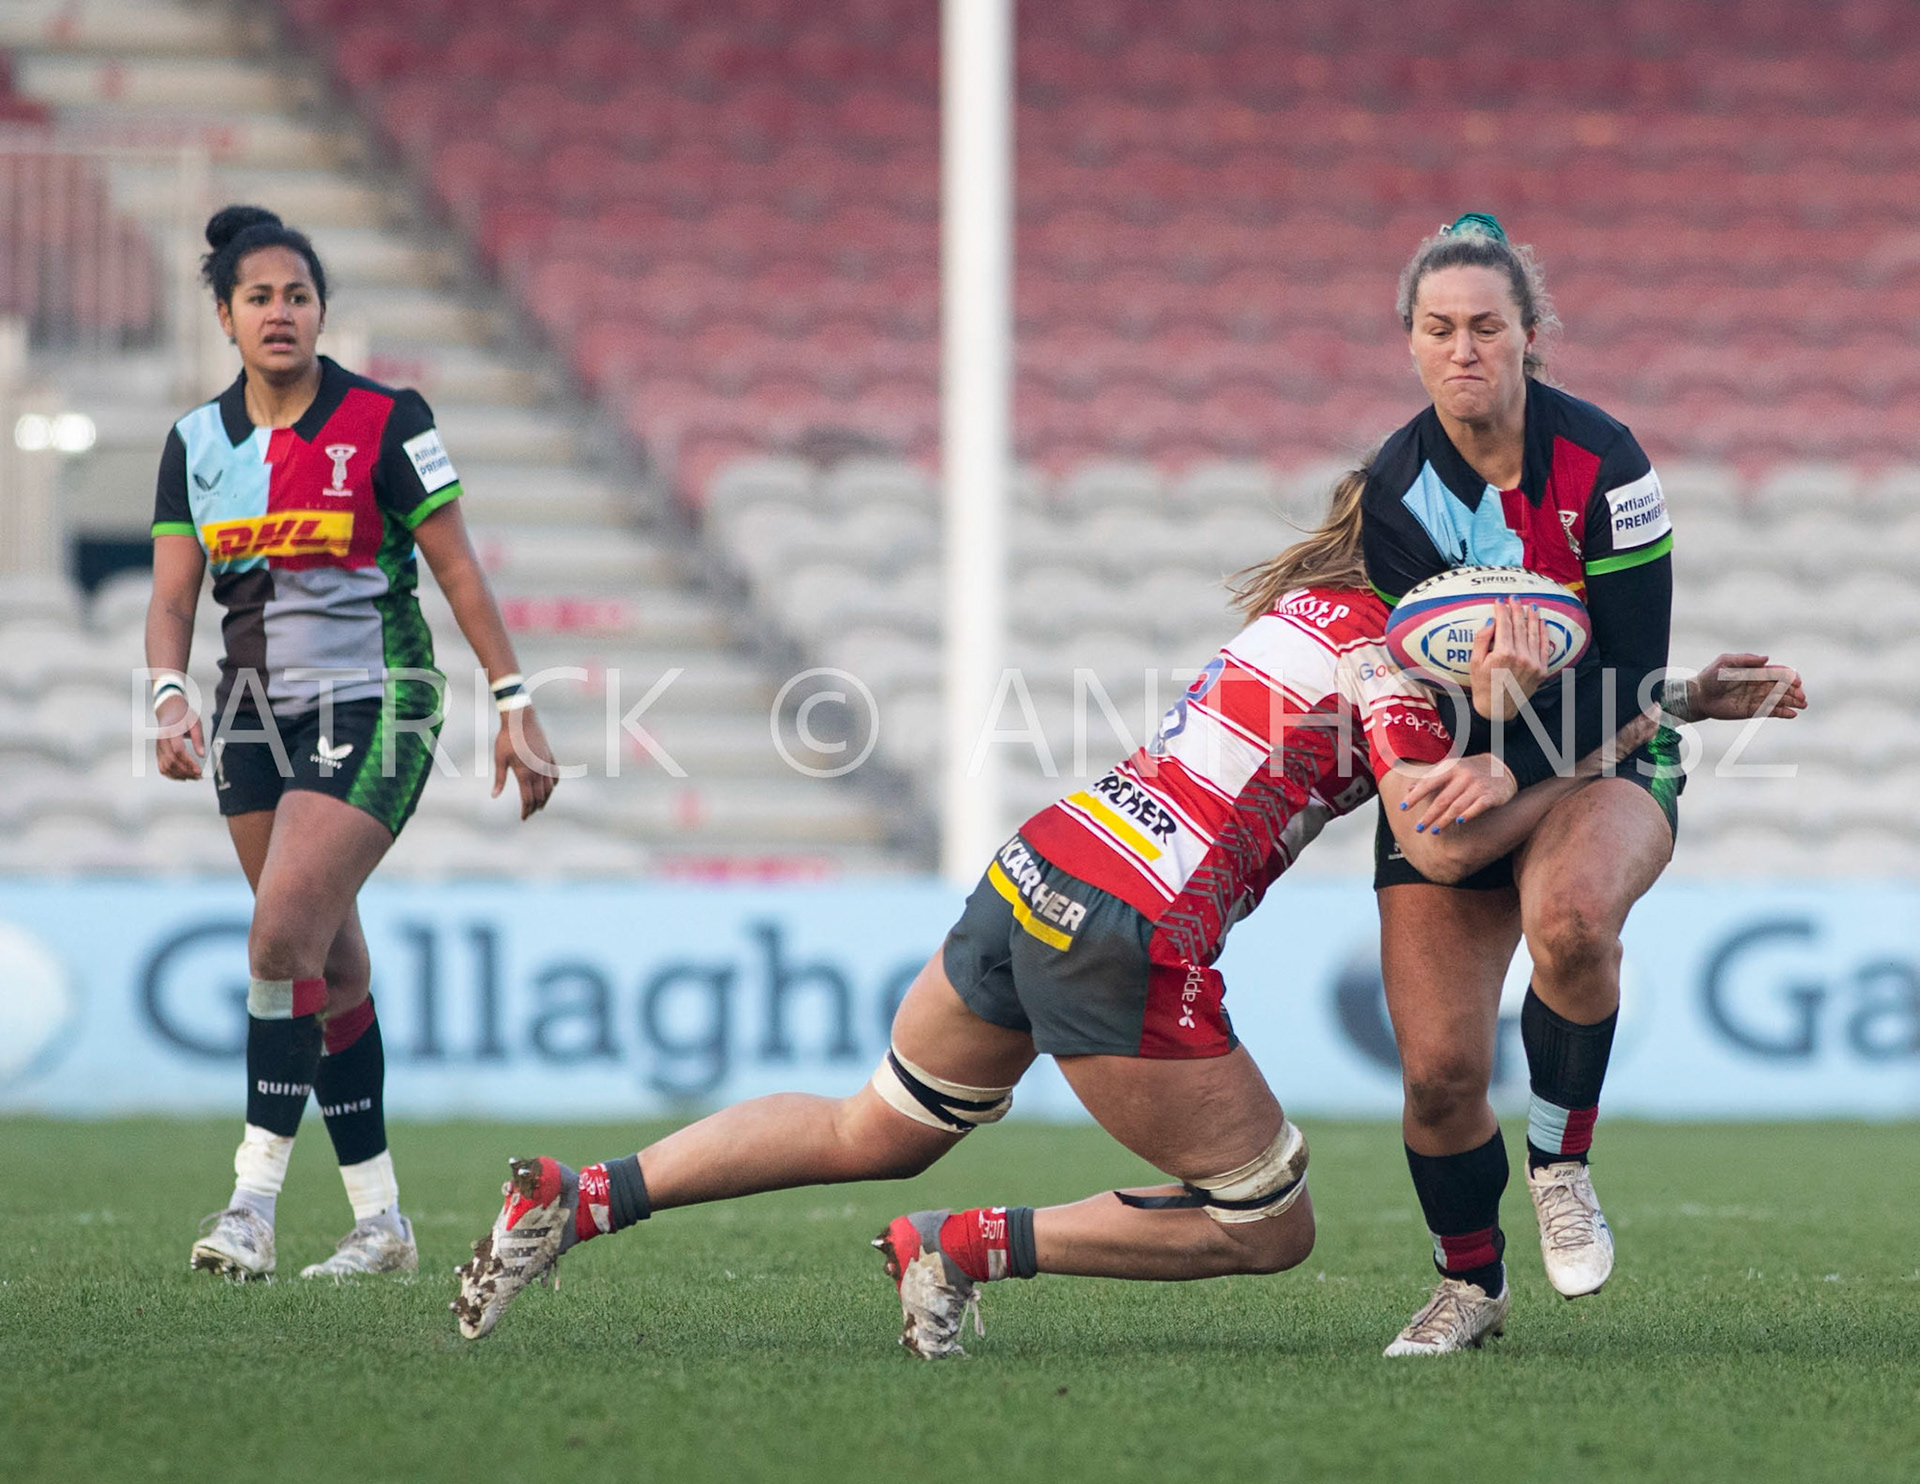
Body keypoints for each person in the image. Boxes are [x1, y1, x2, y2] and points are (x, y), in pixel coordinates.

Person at [449, 470, 1652, 1355]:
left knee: (876, 1122)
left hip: (1042, 860)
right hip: (1130, 924)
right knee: (1268, 1218)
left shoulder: (1299, 614)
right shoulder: (1385, 658)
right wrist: (1605, 744)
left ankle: (582, 1191)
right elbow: (1439, 838)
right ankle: (963, 1245)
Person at [1359, 213, 1807, 1355]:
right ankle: (1471, 1285)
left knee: (1570, 923)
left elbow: (1629, 671)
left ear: (1531, 336)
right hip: (1469, 759)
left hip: (1605, 744)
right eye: (1439, 328)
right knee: (1441, 1077)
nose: (1464, 349)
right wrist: (1479, 732)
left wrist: (1515, 739)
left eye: (1487, 327)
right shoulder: (1396, 492)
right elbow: (1417, 677)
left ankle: (1560, 1161)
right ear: (1409, 342)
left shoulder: (1608, 463)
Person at [147, 205, 560, 1280]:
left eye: (298, 294)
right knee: (326, 960)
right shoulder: (194, 445)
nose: (280, 312)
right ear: (226, 318)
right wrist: (166, 695)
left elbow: (459, 568)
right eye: (258, 297)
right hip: (246, 715)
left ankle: (250, 1203)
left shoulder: (386, 417)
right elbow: (171, 599)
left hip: (379, 701)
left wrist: (514, 698)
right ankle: (382, 1224)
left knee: (280, 938)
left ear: (322, 309)